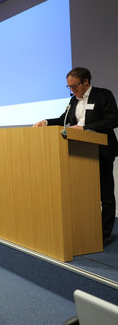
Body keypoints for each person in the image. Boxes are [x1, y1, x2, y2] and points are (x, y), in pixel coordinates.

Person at [33, 67, 118, 245]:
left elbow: (113, 120)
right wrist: (46, 122)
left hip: (101, 150)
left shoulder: (103, 95)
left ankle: (103, 234)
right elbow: (64, 120)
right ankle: (86, 228)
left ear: (86, 81)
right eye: (69, 87)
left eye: (75, 86)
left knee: (105, 193)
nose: (72, 90)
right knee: (84, 194)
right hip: (79, 152)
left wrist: (85, 128)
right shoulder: (73, 101)